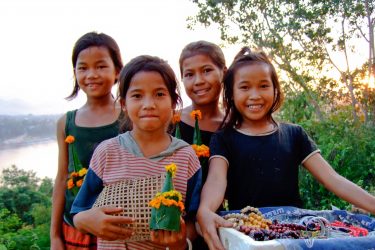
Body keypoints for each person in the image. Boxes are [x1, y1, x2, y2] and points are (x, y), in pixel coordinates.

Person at [197, 47, 375, 250]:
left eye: (263, 86)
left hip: (292, 237)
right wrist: (205, 209)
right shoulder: (224, 138)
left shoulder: (294, 134)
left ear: (275, 89)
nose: (255, 95)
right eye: (245, 87)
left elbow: (332, 179)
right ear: (231, 93)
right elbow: (216, 180)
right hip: (249, 238)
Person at [70, 55, 202, 250]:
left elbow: (194, 219)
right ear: (123, 104)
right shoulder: (107, 152)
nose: (148, 104)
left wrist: (181, 243)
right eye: (137, 95)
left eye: (159, 94)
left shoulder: (186, 157)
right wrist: (85, 221)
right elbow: (79, 211)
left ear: (174, 101)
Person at [50, 31, 124, 250]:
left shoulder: (130, 117)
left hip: (119, 226)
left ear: (118, 71)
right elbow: (62, 178)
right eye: (83, 68)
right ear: (75, 72)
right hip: (76, 228)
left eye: (101, 66)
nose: (91, 74)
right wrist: (54, 236)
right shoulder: (66, 123)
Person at [178, 40, 226, 181]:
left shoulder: (232, 127)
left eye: (206, 71)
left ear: (224, 73)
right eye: (189, 74)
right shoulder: (170, 121)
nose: (198, 81)